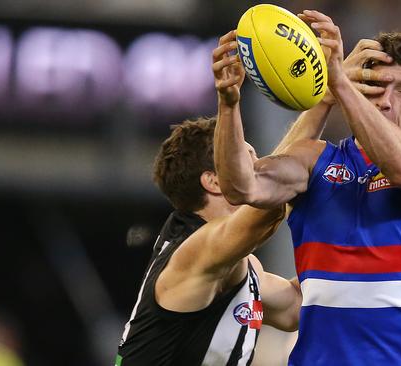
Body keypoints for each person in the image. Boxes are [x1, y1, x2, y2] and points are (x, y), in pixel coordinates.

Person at [213, 10, 401, 366]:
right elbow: (241, 187)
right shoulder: (316, 160)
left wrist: (338, 84)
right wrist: (229, 106)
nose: (385, 100)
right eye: (377, 86)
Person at [115, 30, 344, 366]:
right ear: (214, 181)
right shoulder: (194, 252)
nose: (260, 166)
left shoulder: (241, 263)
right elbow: (265, 209)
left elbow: (296, 307)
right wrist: (230, 104)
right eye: (249, 157)